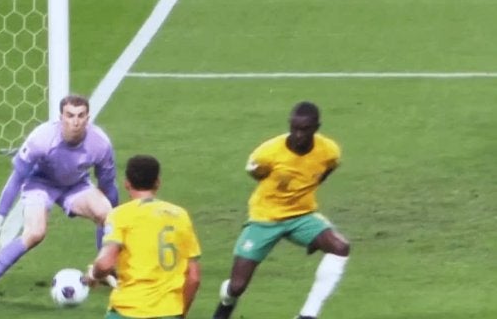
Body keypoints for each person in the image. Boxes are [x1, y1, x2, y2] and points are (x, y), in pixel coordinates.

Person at [0, 94, 119, 304]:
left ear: (88, 118)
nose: (75, 121)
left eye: (80, 116)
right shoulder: (42, 138)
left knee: (107, 214)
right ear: (61, 117)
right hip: (40, 184)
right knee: (35, 233)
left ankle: (103, 270)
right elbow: (17, 178)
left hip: (75, 185)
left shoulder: (100, 144)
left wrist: (118, 220)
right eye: (70, 115)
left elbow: (108, 186)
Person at [212, 101, 350, 319]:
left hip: (302, 216)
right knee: (237, 286)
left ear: (316, 128)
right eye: (294, 128)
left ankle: (307, 315)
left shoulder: (329, 150)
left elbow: (328, 168)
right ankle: (225, 303)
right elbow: (255, 173)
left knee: (340, 247)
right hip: (265, 218)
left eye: (304, 129)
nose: (298, 135)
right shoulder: (268, 153)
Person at [85, 154, 202, 319]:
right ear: (157, 182)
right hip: (170, 311)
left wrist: (93, 275)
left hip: (128, 310)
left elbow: (105, 264)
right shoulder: (180, 215)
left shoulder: (120, 215)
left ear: (127, 183)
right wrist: (181, 313)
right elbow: (194, 277)